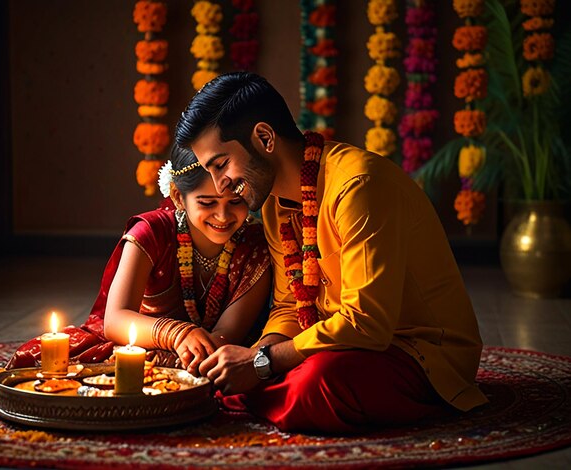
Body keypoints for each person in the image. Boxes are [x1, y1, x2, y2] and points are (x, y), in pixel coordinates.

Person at [175, 71, 489, 433]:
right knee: (255, 366)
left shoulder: (358, 185)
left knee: (319, 384)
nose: (220, 185)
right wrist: (256, 356)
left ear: (264, 138)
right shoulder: (276, 204)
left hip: (420, 353)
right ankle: (265, 392)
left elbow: (368, 323)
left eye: (220, 165)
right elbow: (289, 306)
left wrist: (262, 363)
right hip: (339, 344)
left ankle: (267, 396)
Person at [6, 144, 272, 375]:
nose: (223, 216)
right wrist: (178, 334)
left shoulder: (256, 246)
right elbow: (115, 320)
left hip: (211, 353)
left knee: (256, 366)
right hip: (141, 343)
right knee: (43, 357)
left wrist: (193, 351)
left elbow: (226, 335)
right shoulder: (151, 232)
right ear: (179, 197)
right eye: (207, 203)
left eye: (235, 202)